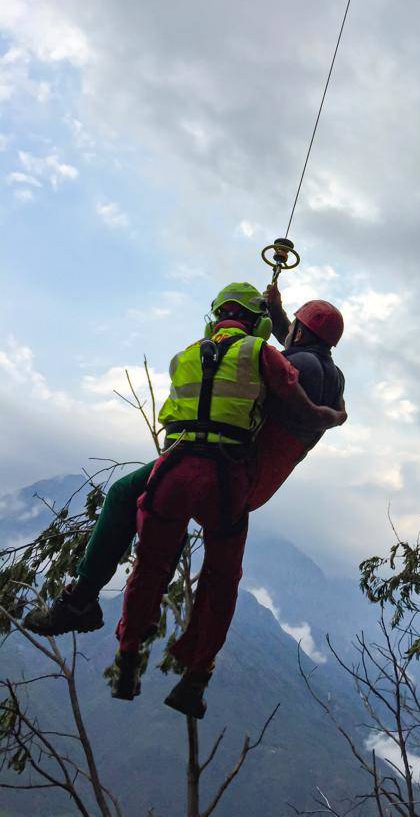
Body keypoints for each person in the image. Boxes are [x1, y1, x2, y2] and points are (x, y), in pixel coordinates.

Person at [24, 283, 346, 718]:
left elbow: (287, 358)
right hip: (237, 482)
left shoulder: (193, 354)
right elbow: (294, 357)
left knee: (141, 534)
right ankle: (196, 677)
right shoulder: (322, 372)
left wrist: (277, 322)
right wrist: (337, 415)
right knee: (222, 578)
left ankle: (106, 630)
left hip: (184, 466)